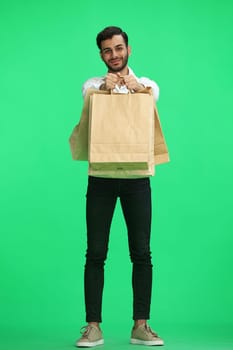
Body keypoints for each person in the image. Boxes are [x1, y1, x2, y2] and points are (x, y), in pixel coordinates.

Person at [76, 26, 164, 347]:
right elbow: (87, 94)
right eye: (107, 51)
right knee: (95, 252)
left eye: (118, 48)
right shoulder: (91, 85)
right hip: (101, 177)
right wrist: (103, 85)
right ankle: (93, 326)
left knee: (141, 252)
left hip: (137, 178)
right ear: (101, 54)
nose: (114, 55)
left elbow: (151, 95)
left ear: (129, 49)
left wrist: (134, 86)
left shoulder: (148, 85)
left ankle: (141, 325)